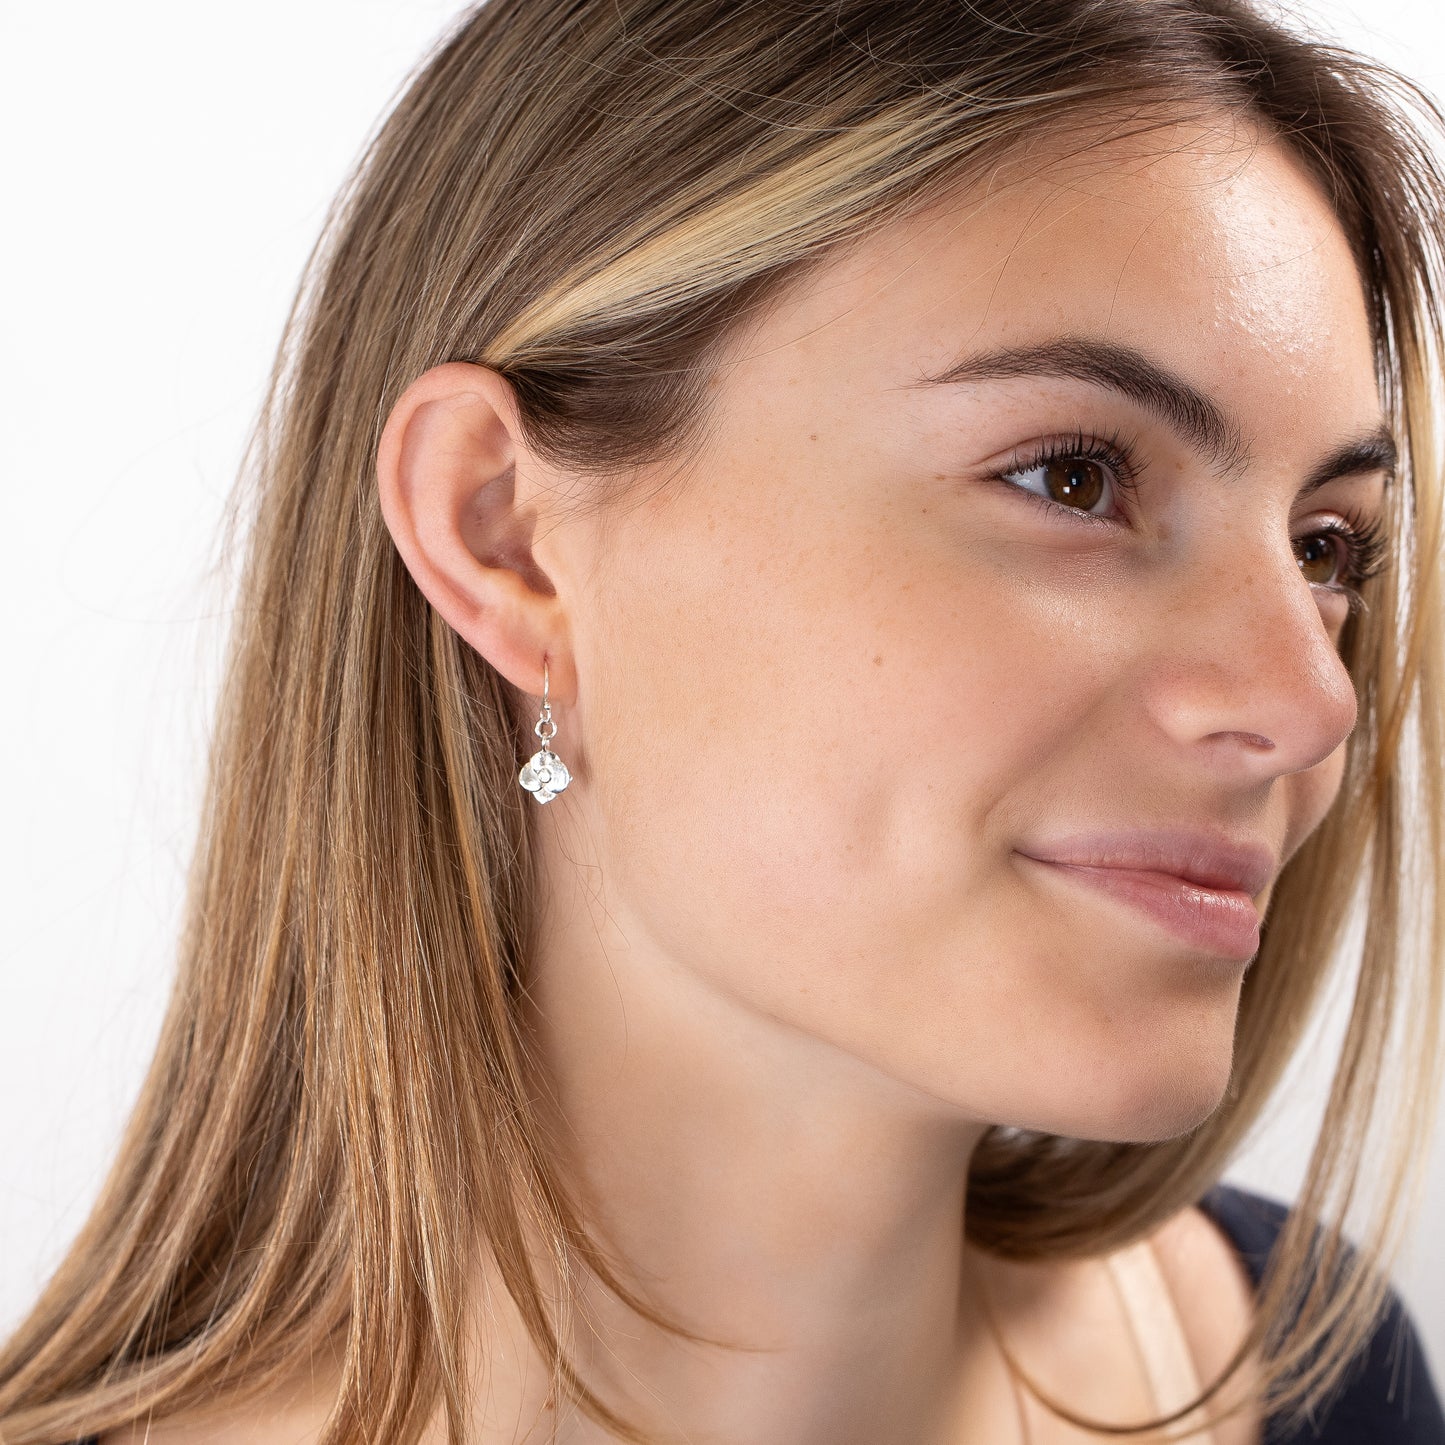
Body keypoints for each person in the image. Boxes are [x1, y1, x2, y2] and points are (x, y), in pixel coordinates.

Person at [3, 0, 1445, 1441]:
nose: (1310, 703)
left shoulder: (1323, 1376)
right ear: (505, 536)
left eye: (1327, 547)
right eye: (1072, 477)